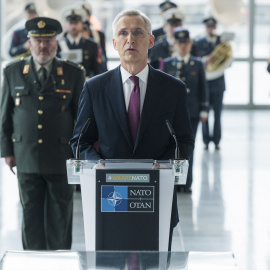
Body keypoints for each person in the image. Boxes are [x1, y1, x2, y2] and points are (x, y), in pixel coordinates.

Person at [70, 9, 194, 250]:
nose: (130, 39)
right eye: (123, 33)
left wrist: (167, 164)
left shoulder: (174, 89)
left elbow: (184, 141)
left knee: (155, 263)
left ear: (150, 40)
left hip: (157, 193)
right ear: (114, 43)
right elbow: (80, 141)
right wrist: (97, 164)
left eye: (137, 32)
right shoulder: (95, 88)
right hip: (110, 195)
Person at [0, 17, 85, 250]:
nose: (42, 46)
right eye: (37, 40)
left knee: (60, 216)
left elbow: (80, 118)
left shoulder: (73, 73)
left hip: (61, 156)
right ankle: (32, 262)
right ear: (29, 42)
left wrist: (80, 155)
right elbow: (5, 115)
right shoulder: (13, 71)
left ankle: (59, 262)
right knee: (30, 216)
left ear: (56, 42)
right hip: (25, 154)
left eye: (47, 40)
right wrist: (7, 150)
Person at [163, 27, 209, 193]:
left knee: (189, 147)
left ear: (190, 44)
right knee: (172, 147)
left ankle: (187, 182)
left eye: (186, 43)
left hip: (193, 112)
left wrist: (204, 109)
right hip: (172, 114)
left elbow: (203, 88)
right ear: (175, 44)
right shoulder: (168, 64)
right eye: (179, 43)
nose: (183, 46)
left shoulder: (197, 63)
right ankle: (175, 182)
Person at [195, 17, 225, 150]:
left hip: (218, 83)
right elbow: (196, 60)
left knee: (218, 114)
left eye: (213, 26)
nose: (211, 29)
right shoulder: (199, 42)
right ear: (205, 28)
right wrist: (205, 59)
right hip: (204, 83)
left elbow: (228, 60)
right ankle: (206, 140)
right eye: (208, 27)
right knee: (204, 113)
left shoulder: (222, 42)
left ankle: (217, 140)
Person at [59, 8, 101, 78]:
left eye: (76, 23)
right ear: (66, 25)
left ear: (82, 24)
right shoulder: (58, 45)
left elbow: (97, 71)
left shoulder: (92, 45)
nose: (73, 26)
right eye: (70, 23)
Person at [79, 2, 108, 72]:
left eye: (87, 14)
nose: (85, 18)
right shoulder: (71, 36)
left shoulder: (99, 35)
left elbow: (103, 57)